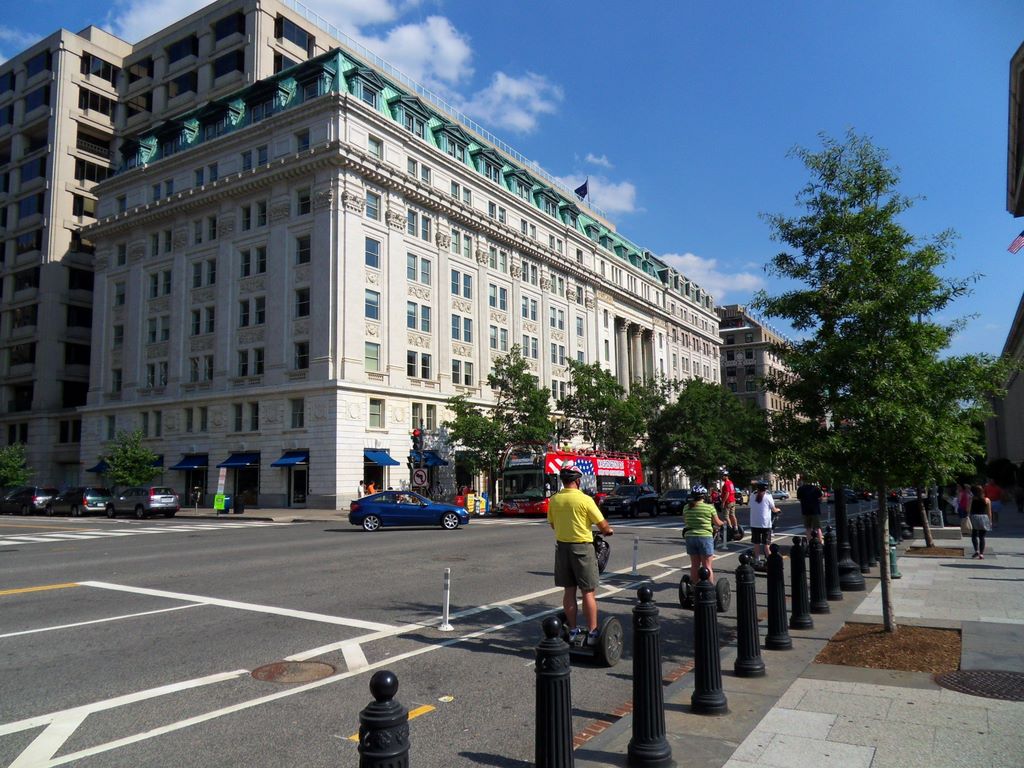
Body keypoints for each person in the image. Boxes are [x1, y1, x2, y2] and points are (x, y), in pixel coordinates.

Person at [548, 460, 614, 644]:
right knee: (588, 591)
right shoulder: (585, 500)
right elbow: (603, 526)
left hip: (562, 548)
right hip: (582, 548)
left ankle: (573, 630)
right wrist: (608, 531)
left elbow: (553, 524)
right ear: (577, 481)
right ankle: (592, 632)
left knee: (569, 591)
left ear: (562, 481)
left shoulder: (554, 500)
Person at [684, 485, 725, 585]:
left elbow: (686, 521)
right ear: (704, 496)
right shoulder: (709, 508)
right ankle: (709, 588)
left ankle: (694, 587)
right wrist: (724, 523)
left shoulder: (686, 507)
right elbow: (717, 523)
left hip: (690, 537)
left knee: (694, 565)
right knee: (707, 566)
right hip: (705, 537)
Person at [749, 480, 780, 569]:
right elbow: (773, 509)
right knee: (766, 544)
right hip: (765, 524)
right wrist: (778, 510)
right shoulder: (768, 496)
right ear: (765, 489)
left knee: (756, 543)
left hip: (755, 523)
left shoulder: (752, 495)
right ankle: (770, 561)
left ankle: (757, 560)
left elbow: (750, 505)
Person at [796, 479, 824, 545]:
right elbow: (821, 498)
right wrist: (817, 502)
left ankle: (810, 543)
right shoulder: (816, 488)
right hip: (815, 510)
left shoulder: (800, 489)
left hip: (805, 511)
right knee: (818, 528)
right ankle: (820, 542)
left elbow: (799, 499)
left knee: (808, 528)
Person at [969, 484, 993, 559]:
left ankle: (976, 550)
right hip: (984, 517)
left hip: (974, 517)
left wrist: (968, 517)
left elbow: (968, 509)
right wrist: (990, 521)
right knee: (982, 537)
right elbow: (989, 512)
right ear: (982, 491)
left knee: (974, 535)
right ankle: (981, 554)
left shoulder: (972, 499)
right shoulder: (987, 500)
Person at [721, 470, 738, 539]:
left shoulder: (726, 484)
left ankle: (730, 529)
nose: (722, 477)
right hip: (732, 501)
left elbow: (727, 493)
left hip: (728, 502)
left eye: (723, 476)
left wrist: (723, 502)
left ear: (726, 476)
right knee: (732, 515)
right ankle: (736, 528)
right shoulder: (731, 483)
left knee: (726, 516)